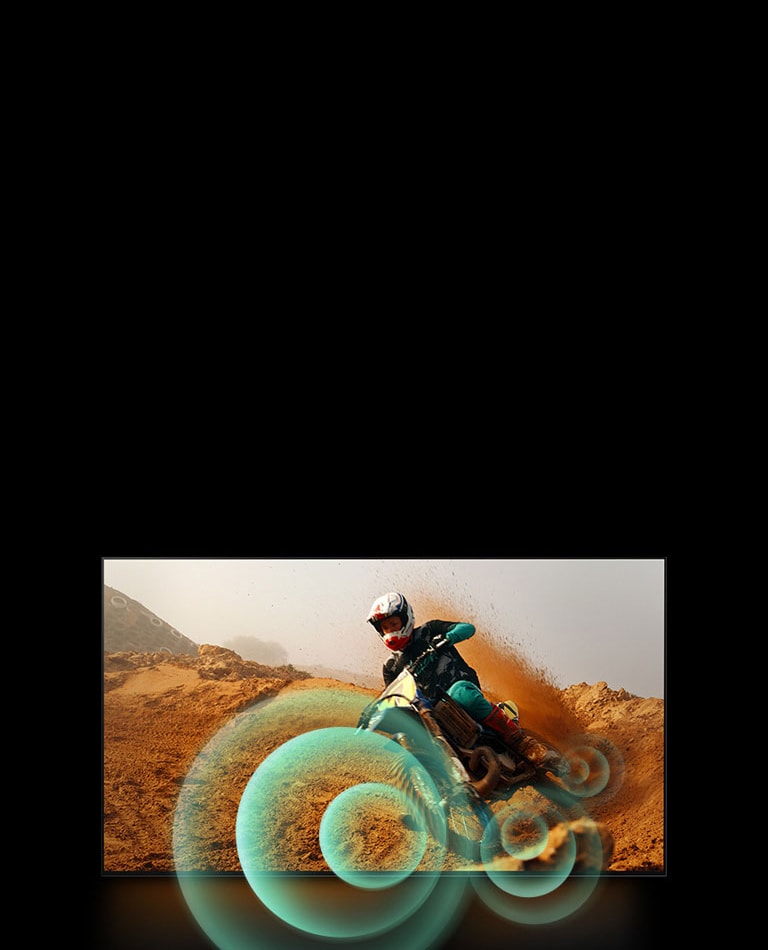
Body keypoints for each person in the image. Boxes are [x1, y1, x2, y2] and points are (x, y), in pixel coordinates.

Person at [366, 591, 535, 754]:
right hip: (429, 709)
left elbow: (467, 628)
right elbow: (396, 697)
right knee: (405, 735)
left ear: (406, 619)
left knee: (462, 694)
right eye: (385, 627)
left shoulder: (429, 630)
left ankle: (522, 742)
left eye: (394, 624)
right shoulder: (390, 666)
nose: (390, 631)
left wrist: (448, 638)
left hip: (458, 688)